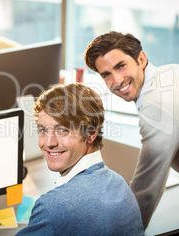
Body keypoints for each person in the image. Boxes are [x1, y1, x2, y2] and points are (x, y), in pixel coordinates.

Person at [84, 31, 179, 235]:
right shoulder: (172, 72)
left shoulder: (157, 106)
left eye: (121, 66)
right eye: (106, 74)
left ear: (141, 58)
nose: (117, 80)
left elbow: (146, 189)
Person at [15, 83, 144, 236]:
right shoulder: (120, 185)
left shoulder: (54, 206)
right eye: (43, 130)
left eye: (62, 130)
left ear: (91, 134)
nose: (48, 143)